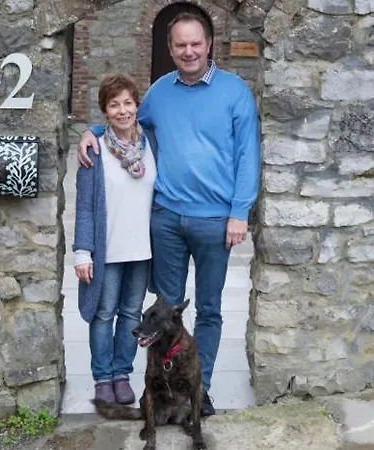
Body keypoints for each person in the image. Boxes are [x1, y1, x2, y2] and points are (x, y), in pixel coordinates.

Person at [77, 12, 260, 416]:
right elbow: (125, 122)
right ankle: (164, 388)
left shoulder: (234, 91)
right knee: (164, 310)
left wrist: (239, 211)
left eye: (195, 43)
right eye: (181, 45)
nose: (189, 51)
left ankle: (199, 388)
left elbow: (249, 154)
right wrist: (92, 130)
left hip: (216, 221)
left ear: (208, 44)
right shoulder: (160, 92)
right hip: (167, 219)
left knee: (208, 310)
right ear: (171, 48)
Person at [73, 73, 156, 404]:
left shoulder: (152, 143)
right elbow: (84, 208)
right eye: (114, 104)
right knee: (103, 313)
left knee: (132, 314)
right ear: (105, 111)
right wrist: (83, 252)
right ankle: (102, 378)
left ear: (137, 105)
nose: (123, 111)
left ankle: (122, 373)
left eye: (128, 103)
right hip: (107, 249)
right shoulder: (94, 150)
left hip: (142, 249)